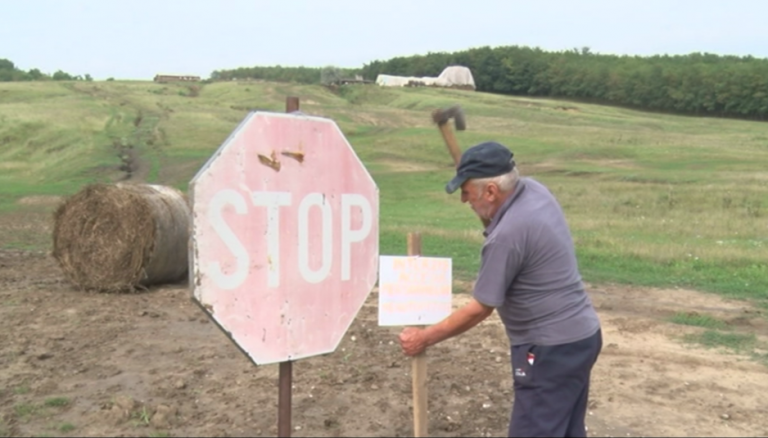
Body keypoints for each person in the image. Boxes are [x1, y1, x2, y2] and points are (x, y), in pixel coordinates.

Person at [398, 141, 602, 437]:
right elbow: (503, 218)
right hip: (582, 337)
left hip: (548, 351)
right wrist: (486, 209)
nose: (463, 200)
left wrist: (424, 337)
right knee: (567, 430)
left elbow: (480, 308)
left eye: (466, 192)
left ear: (491, 191)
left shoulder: (507, 237)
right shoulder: (534, 190)